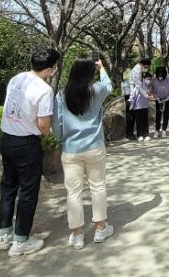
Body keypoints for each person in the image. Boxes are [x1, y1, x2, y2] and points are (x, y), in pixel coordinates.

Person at [0, 47, 60, 257]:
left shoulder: (17, 79)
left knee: (8, 187)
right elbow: (43, 123)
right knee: (27, 192)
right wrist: (45, 134)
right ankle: (20, 241)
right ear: (49, 69)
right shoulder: (44, 90)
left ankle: (4, 235)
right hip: (26, 144)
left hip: (6, 139)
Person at [52, 56, 115, 250]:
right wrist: (102, 68)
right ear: (90, 73)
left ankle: (77, 234)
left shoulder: (61, 94)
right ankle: (101, 228)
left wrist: (62, 140)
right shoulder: (96, 90)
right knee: (98, 187)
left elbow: (57, 123)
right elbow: (109, 86)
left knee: (73, 192)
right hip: (94, 147)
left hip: (71, 149)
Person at [128, 58, 151, 141]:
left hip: (144, 103)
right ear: (141, 64)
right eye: (146, 67)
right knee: (138, 119)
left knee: (145, 119)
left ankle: (145, 133)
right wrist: (146, 96)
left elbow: (143, 85)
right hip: (136, 100)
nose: (146, 68)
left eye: (147, 67)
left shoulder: (141, 72)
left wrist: (147, 94)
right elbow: (138, 86)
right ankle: (139, 134)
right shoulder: (136, 71)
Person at [152, 66, 169, 138]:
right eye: (158, 75)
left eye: (161, 75)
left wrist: (168, 98)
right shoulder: (154, 78)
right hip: (158, 99)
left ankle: (164, 130)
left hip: (167, 98)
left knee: (166, 114)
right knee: (158, 114)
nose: (160, 77)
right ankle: (157, 130)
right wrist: (156, 98)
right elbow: (153, 89)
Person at [130, 71, 154, 141]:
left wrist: (150, 94)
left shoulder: (145, 85)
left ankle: (146, 134)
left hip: (145, 106)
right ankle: (139, 135)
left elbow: (148, 93)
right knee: (139, 122)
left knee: (145, 121)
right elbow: (133, 96)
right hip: (137, 107)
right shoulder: (135, 86)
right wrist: (132, 105)